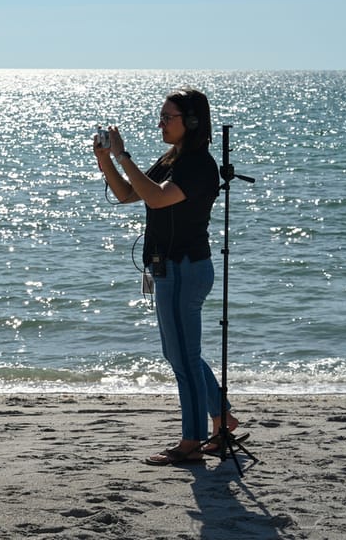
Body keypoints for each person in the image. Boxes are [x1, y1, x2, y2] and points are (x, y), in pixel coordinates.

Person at [94, 87, 243, 465]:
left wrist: (123, 155)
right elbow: (130, 194)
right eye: (160, 117)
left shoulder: (198, 164)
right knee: (180, 354)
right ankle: (221, 418)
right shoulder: (172, 158)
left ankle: (191, 441)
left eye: (167, 117)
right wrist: (106, 160)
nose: (160, 123)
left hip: (184, 269)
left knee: (183, 358)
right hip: (170, 269)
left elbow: (158, 197)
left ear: (191, 122)